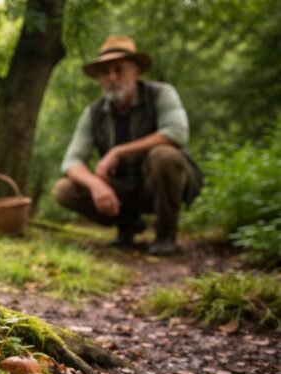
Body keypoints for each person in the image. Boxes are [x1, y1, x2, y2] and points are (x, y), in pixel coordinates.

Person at [52, 35, 202, 256]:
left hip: (160, 184)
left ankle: (166, 234)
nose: (112, 77)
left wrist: (118, 152)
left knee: (164, 156)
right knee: (64, 190)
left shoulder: (161, 93)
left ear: (136, 71)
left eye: (119, 69)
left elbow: (177, 132)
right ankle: (128, 224)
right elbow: (71, 161)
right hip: (123, 188)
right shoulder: (92, 113)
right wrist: (96, 185)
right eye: (105, 72)